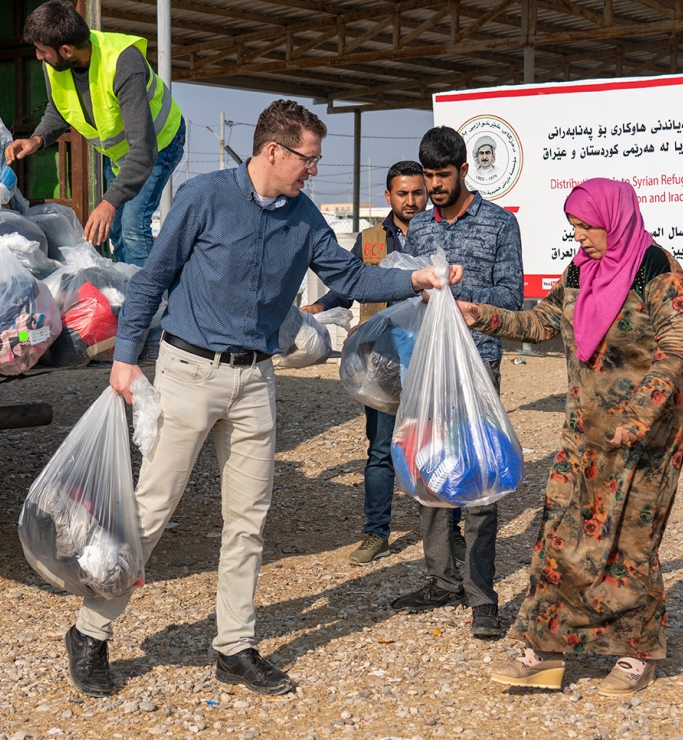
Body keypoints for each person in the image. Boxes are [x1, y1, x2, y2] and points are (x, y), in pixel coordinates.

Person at [62, 100, 461, 699]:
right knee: (152, 511)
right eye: (309, 158)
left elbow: (348, 278)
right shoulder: (205, 197)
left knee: (248, 520)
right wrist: (123, 357)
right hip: (188, 372)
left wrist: (416, 279)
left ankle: (235, 646)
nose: (314, 171)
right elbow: (153, 277)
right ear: (274, 151)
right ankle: (90, 631)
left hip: (255, 382)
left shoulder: (304, 219)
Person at [457, 178, 683, 696]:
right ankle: (544, 652)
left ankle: (636, 654)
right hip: (584, 437)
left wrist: (637, 417)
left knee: (629, 545)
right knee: (559, 538)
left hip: (643, 442)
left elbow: (673, 352)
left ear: (616, 219)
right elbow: (542, 322)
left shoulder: (658, 272)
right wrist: (481, 315)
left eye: (588, 226)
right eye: (575, 227)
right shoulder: (582, 272)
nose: (580, 236)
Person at [389, 126, 523, 638]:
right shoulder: (420, 228)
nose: (435, 185)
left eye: (443, 175)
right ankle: (442, 579)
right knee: (428, 469)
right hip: (426, 366)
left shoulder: (497, 225)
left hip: (477, 367)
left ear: (465, 170)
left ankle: (482, 597)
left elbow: (512, 299)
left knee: (480, 478)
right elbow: (403, 284)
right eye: (428, 175)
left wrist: (465, 284)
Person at [301, 160, 465, 566]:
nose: (411, 201)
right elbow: (350, 285)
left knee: (439, 444)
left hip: (431, 356)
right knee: (380, 449)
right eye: (403, 194)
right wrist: (318, 306)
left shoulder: (438, 233)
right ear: (388, 196)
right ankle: (377, 533)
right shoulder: (372, 239)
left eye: (417, 193)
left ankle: (450, 533)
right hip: (383, 360)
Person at [5, 0, 185, 267]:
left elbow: (143, 151)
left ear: (66, 50)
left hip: (158, 145)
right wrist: (36, 140)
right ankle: (127, 291)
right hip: (120, 155)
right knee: (115, 231)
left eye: (42, 51)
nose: (39, 57)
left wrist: (108, 203)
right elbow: (58, 111)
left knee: (133, 227)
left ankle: (150, 304)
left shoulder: (123, 63)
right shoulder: (54, 67)